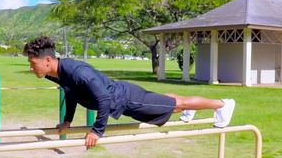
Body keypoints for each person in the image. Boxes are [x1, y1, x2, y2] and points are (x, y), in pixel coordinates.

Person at [24, 35, 236, 149]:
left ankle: (222, 104)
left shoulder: (78, 72)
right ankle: (190, 109)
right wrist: (68, 121)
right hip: (125, 98)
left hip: (127, 99)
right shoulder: (58, 73)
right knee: (171, 103)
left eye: (33, 63)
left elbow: (104, 98)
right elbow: (71, 94)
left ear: (48, 60)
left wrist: (97, 131)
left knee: (176, 105)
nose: (31, 67)